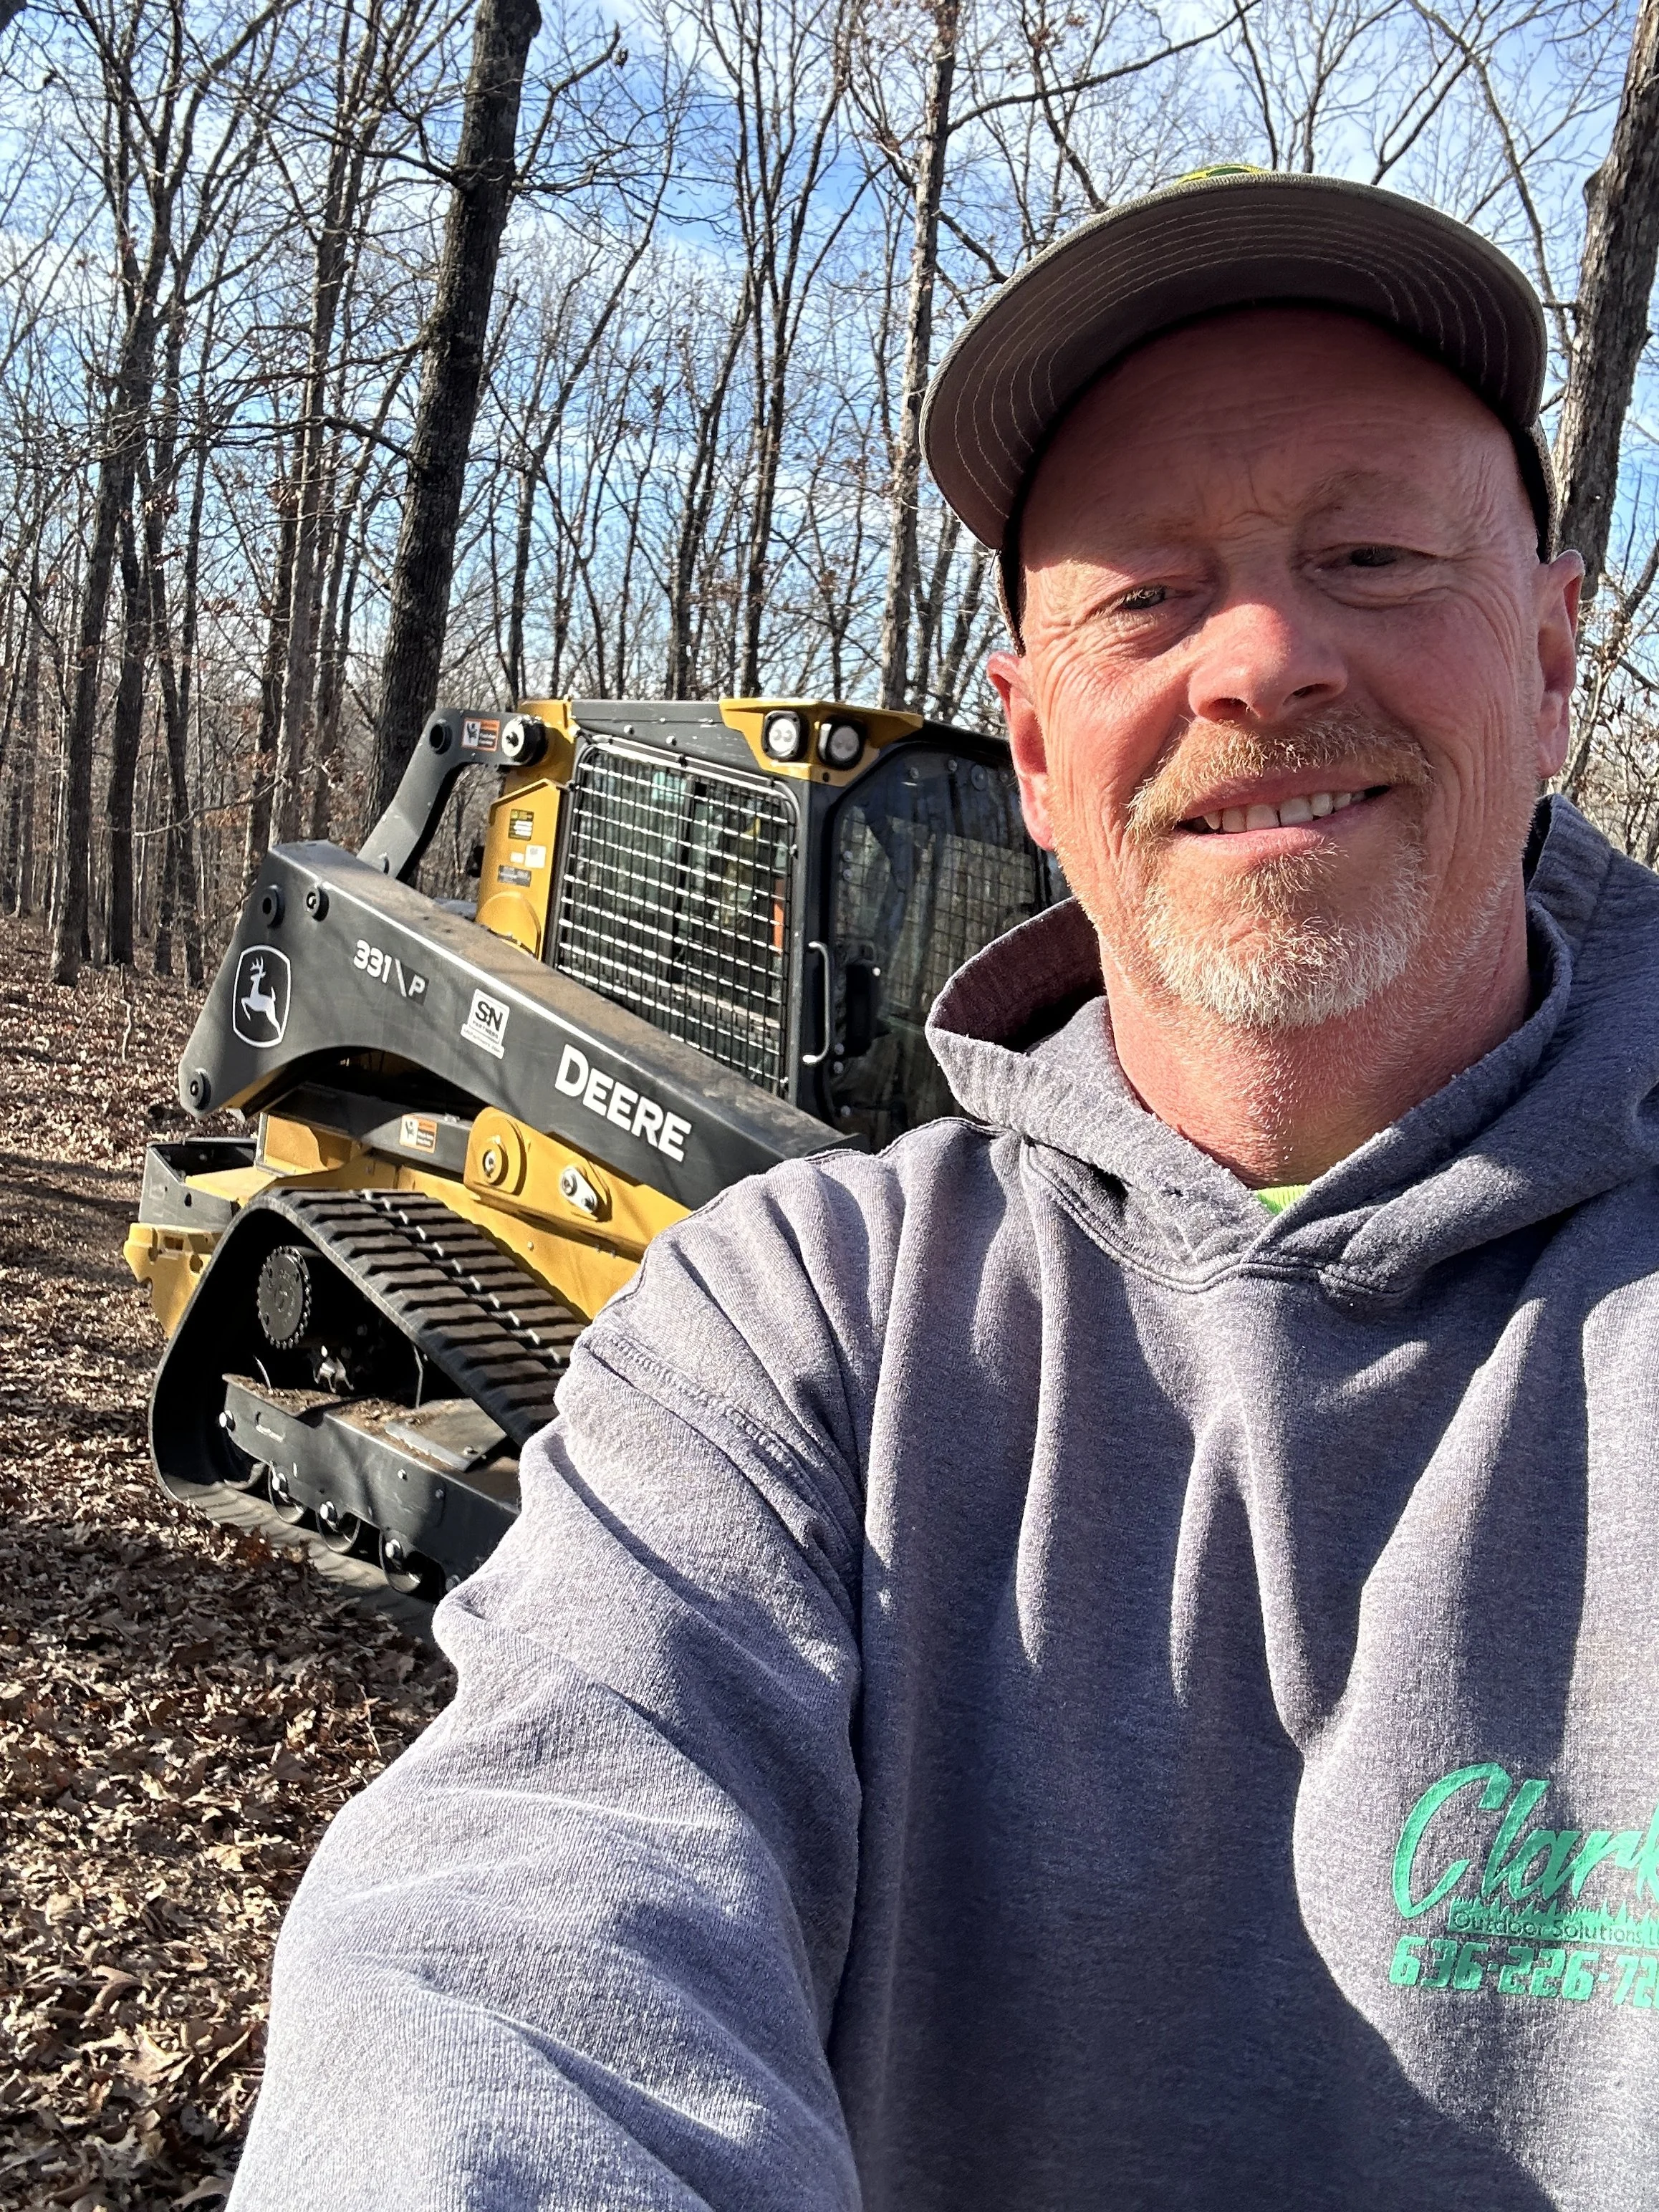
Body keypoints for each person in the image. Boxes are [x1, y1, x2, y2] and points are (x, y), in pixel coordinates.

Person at [229, 168, 1655, 2211]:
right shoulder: (802, 1325)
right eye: (1142, 597)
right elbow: (504, 1950)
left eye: (1372, 554)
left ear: (1553, 656)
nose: (1262, 660)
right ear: (1039, 754)